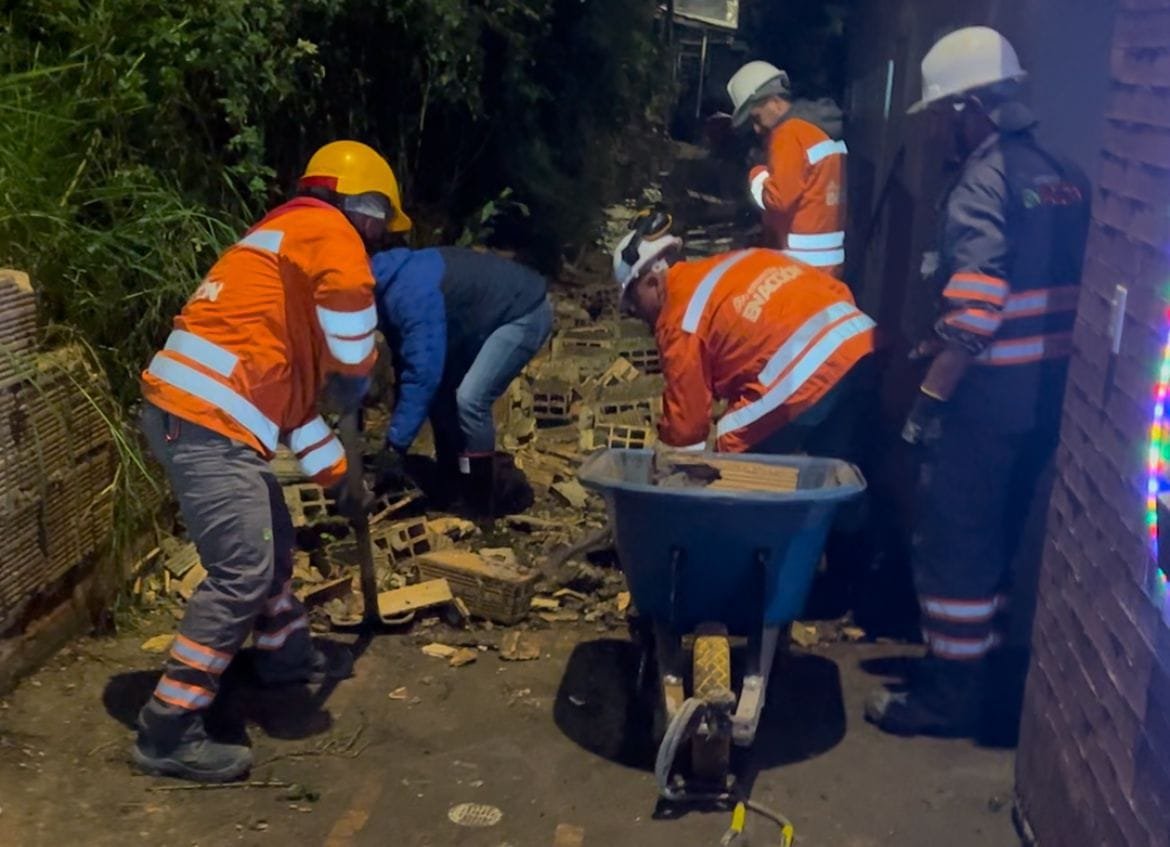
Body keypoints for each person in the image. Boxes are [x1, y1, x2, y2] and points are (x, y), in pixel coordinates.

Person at [134, 140, 411, 782]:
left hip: (207, 418)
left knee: (274, 542)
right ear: (364, 208)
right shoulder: (325, 229)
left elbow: (290, 419)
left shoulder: (278, 265)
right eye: (380, 229)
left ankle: (284, 660)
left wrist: (340, 480)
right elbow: (350, 293)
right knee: (243, 571)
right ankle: (166, 730)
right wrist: (355, 372)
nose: (376, 244)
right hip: (204, 424)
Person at [865, 27, 1091, 740]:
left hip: (986, 402)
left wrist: (928, 403)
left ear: (971, 110)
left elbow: (978, 314)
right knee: (1000, 540)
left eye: (940, 115)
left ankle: (948, 695)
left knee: (956, 539)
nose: (935, 131)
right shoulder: (1060, 172)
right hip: (1048, 404)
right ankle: (984, 675)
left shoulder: (981, 184)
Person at [612, 209, 875, 455]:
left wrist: (672, 481)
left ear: (652, 282)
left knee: (732, 437)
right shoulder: (736, 263)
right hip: (857, 341)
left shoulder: (679, 316)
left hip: (809, 372)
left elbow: (687, 429)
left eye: (633, 302)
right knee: (835, 463)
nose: (635, 312)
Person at [371, 246, 552, 516]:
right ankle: (452, 480)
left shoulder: (411, 296)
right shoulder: (383, 286)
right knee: (442, 396)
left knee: (470, 399)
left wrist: (395, 445)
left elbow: (422, 374)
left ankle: (479, 500)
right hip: (481, 318)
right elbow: (406, 364)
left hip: (523, 313)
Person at [726, 60, 848, 278]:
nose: (756, 128)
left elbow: (779, 200)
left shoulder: (789, 133)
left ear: (774, 102)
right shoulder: (822, 129)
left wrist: (757, 174)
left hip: (798, 265)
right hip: (829, 263)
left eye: (756, 117)